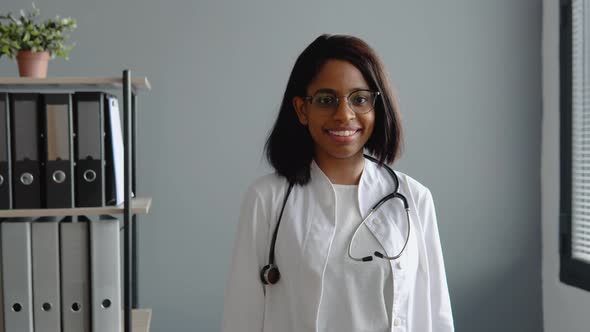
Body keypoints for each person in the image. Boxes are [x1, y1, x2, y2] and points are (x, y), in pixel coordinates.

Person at [222, 34, 454, 332]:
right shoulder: (266, 200)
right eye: (326, 100)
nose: (344, 115)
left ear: (376, 106)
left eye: (359, 99)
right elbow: (241, 319)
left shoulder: (414, 198)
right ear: (302, 109)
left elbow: (436, 317)